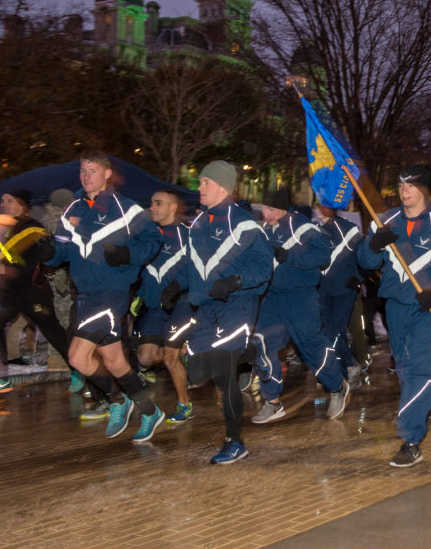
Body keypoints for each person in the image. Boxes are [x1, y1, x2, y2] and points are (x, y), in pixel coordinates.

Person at [356, 165, 431, 467]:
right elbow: (364, 261)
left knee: (415, 371)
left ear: (424, 190)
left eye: (410, 184)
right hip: (395, 307)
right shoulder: (387, 221)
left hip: (428, 307)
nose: (403, 189)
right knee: (404, 369)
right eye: (400, 184)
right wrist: (372, 246)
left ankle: (410, 440)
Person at [41, 154, 165, 442]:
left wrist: (128, 255)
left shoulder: (126, 209)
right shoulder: (73, 209)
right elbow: (61, 249)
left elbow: (153, 240)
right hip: (84, 295)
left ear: (107, 174)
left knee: (77, 356)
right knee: (115, 362)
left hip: (112, 293)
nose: (86, 177)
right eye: (83, 171)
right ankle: (150, 411)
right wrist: (50, 255)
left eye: (93, 171)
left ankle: (116, 400)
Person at [184, 161, 273, 463]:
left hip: (238, 303)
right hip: (206, 307)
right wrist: (176, 290)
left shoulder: (245, 224)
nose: (199, 188)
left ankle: (235, 441)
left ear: (223, 186)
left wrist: (235, 281)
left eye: (205, 182)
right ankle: (249, 353)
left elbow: (263, 267)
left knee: (223, 375)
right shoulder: (197, 225)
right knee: (196, 373)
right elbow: (191, 264)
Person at [247, 188, 350, 425]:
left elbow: (323, 255)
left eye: (270, 208)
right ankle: (272, 401)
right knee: (260, 342)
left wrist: (289, 257)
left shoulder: (304, 227)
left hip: (301, 298)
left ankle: (336, 387)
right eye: (264, 207)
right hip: (271, 298)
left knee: (311, 345)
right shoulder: (262, 231)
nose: (266, 212)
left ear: (282, 207)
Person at [0, 189, 73, 396]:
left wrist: (8, 270)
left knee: (53, 333)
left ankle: (80, 371)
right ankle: (1, 378)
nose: (4, 204)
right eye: (2, 200)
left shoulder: (34, 229)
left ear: (22, 204)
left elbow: (37, 265)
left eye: (9, 200)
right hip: (13, 294)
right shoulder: (12, 228)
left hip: (34, 294)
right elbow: (8, 258)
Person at [128, 190, 194, 424]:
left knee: (169, 357)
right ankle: (188, 351)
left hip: (181, 304)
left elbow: (196, 269)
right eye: (151, 203)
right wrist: (139, 296)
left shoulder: (188, 235)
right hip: (155, 307)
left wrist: (178, 287)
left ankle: (184, 404)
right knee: (145, 358)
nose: (152, 207)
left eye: (158, 203)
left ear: (173, 207)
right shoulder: (146, 235)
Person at [315, 202, 367, 380]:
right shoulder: (314, 230)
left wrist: (357, 276)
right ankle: (345, 367)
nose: (322, 209)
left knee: (334, 332)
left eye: (325, 205)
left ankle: (349, 366)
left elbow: (364, 257)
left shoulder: (349, 229)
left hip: (344, 290)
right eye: (319, 205)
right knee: (326, 333)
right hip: (322, 291)